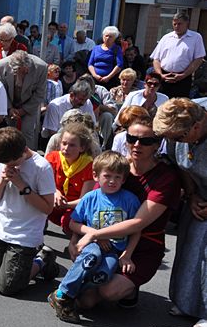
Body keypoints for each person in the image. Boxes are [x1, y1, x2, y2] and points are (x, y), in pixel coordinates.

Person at [71, 117, 180, 311]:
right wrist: (75, 240)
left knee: (108, 291)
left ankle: (128, 288)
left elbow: (138, 223)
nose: (137, 145)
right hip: (107, 241)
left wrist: (93, 235)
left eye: (146, 141)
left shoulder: (165, 177)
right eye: (131, 138)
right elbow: (90, 205)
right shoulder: (117, 168)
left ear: (157, 144)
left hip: (143, 244)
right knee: (86, 301)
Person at [48, 151, 141, 323]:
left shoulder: (130, 200)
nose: (112, 181)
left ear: (124, 179)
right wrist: (94, 235)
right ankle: (62, 294)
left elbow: (136, 229)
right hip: (94, 244)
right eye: (107, 176)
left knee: (103, 274)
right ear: (96, 176)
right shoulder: (90, 198)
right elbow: (73, 223)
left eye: (117, 177)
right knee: (91, 257)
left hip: (114, 251)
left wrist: (127, 254)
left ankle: (76, 292)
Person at [154, 98, 207, 327]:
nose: (175, 142)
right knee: (190, 249)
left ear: (196, 127)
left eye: (178, 138)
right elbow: (180, 164)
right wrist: (192, 194)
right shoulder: (179, 135)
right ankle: (185, 304)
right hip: (199, 197)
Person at [0, 127, 57, 295]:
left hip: (25, 234)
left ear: (24, 150)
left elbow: (47, 208)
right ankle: (22, 265)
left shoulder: (41, 167)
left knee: (7, 287)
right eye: (6, 163)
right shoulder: (3, 160)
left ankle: (42, 260)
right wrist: (2, 182)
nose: (9, 166)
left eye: (13, 163)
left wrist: (21, 185)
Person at [45, 122, 95, 236]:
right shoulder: (53, 158)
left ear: (82, 148)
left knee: (68, 222)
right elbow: (45, 184)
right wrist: (56, 193)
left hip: (74, 206)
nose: (66, 148)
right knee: (37, 203)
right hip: (54, 201)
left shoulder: (89, 166)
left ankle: (75, 239)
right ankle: (37, 232)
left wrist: (66, 205)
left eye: (72, 145)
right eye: (64, 143)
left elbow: (84, 200)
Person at [0, 50, 47, 150]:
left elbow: (40, 93)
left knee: (27, 131)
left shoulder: (41, 67)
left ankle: (28, 156)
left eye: (25, 72)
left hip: (30, 103)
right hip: (10, 102)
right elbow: (1, 90)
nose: (23, 75)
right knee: (9, 132)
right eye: (19, 72)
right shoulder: (2, 65)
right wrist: (10, 108)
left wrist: (23, 110)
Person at [151, 11, 206, 99]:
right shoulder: (166, 37)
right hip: (164, 77)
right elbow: (156, 59)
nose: (176, 26)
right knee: (161, 102)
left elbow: (198, 59)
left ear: (186, 23)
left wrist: (183, 75)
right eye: (174, 24)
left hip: (183, 78)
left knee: (179, 104)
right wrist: (160, 74)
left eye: (179, 24)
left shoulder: (195, 37)